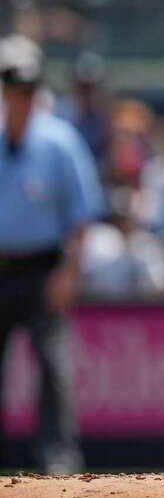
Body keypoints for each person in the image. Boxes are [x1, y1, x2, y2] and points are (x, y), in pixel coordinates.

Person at [0, 35, 104, 474]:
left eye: (27, 88)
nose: (20, 97)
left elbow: (81, 216)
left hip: (44, 266)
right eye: (12, 87)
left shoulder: (60, 140)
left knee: (53, 368)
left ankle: (58, 462)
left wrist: (68, 273)